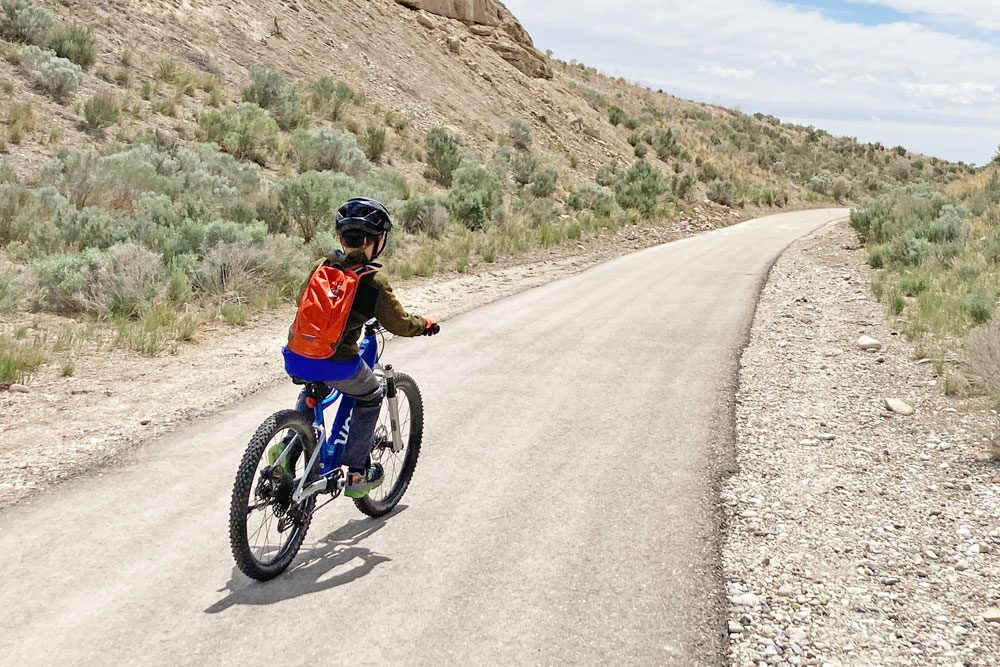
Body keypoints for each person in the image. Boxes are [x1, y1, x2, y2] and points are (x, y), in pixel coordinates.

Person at [282, 197, 439, 498]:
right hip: (337, 362)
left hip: (296, 355)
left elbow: (301, 301)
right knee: (370, 393)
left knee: (314, 387)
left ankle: (287, 454)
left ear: (341, 237)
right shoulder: (374, 282)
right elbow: (400, 324)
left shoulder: (321, 265)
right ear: (376, 242)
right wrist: (425, 324)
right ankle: (356, 472)